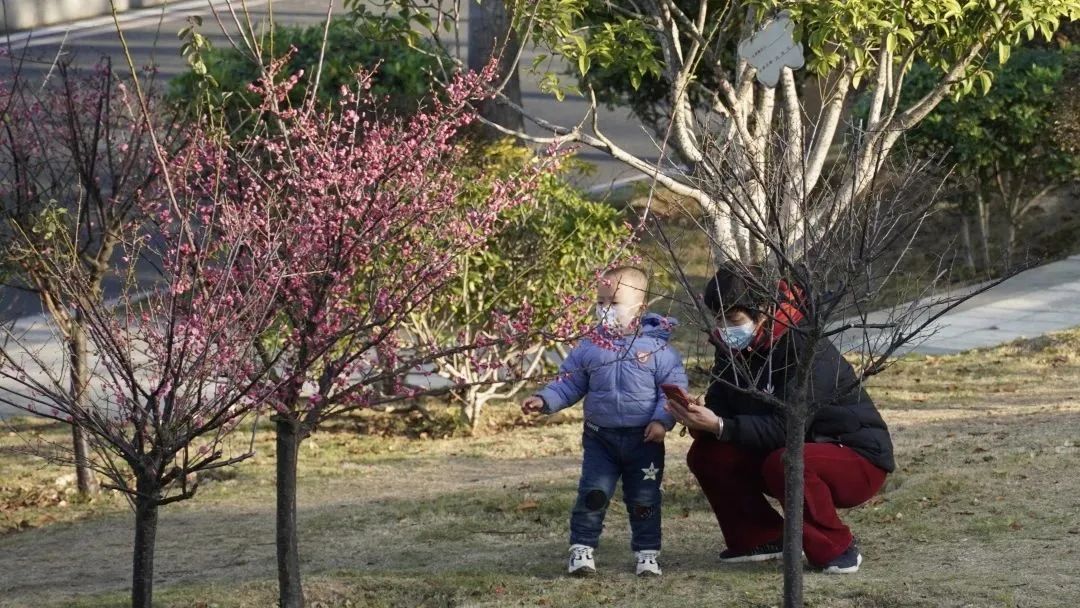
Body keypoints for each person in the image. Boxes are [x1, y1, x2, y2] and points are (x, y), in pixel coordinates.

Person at [666, 263, 894, 574]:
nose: (725, 329)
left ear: (765, 309)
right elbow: (723, 407)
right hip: (785, 451)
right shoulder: (731, 349)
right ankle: (760, 538)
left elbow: (788, 427)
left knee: (787, 460)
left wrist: (720, 425)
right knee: (708, 454)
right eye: (718, 320)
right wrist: (699, 417)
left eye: (732, 320)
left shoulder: (805, 347)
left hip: (853, 456)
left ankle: (836, 548)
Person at [521, 266, 688, 577]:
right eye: (600, 302)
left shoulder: (659, 349)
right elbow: (569, 382)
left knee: (644, 497)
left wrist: (662, 421)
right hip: (601, 438)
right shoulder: (590, 345)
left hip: (645, 440)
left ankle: (647, 552)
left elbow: (672, 392)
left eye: (613, 303)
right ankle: (582, 548)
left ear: (639, 307)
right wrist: (545, 400)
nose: (605, 310)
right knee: (593, 492)